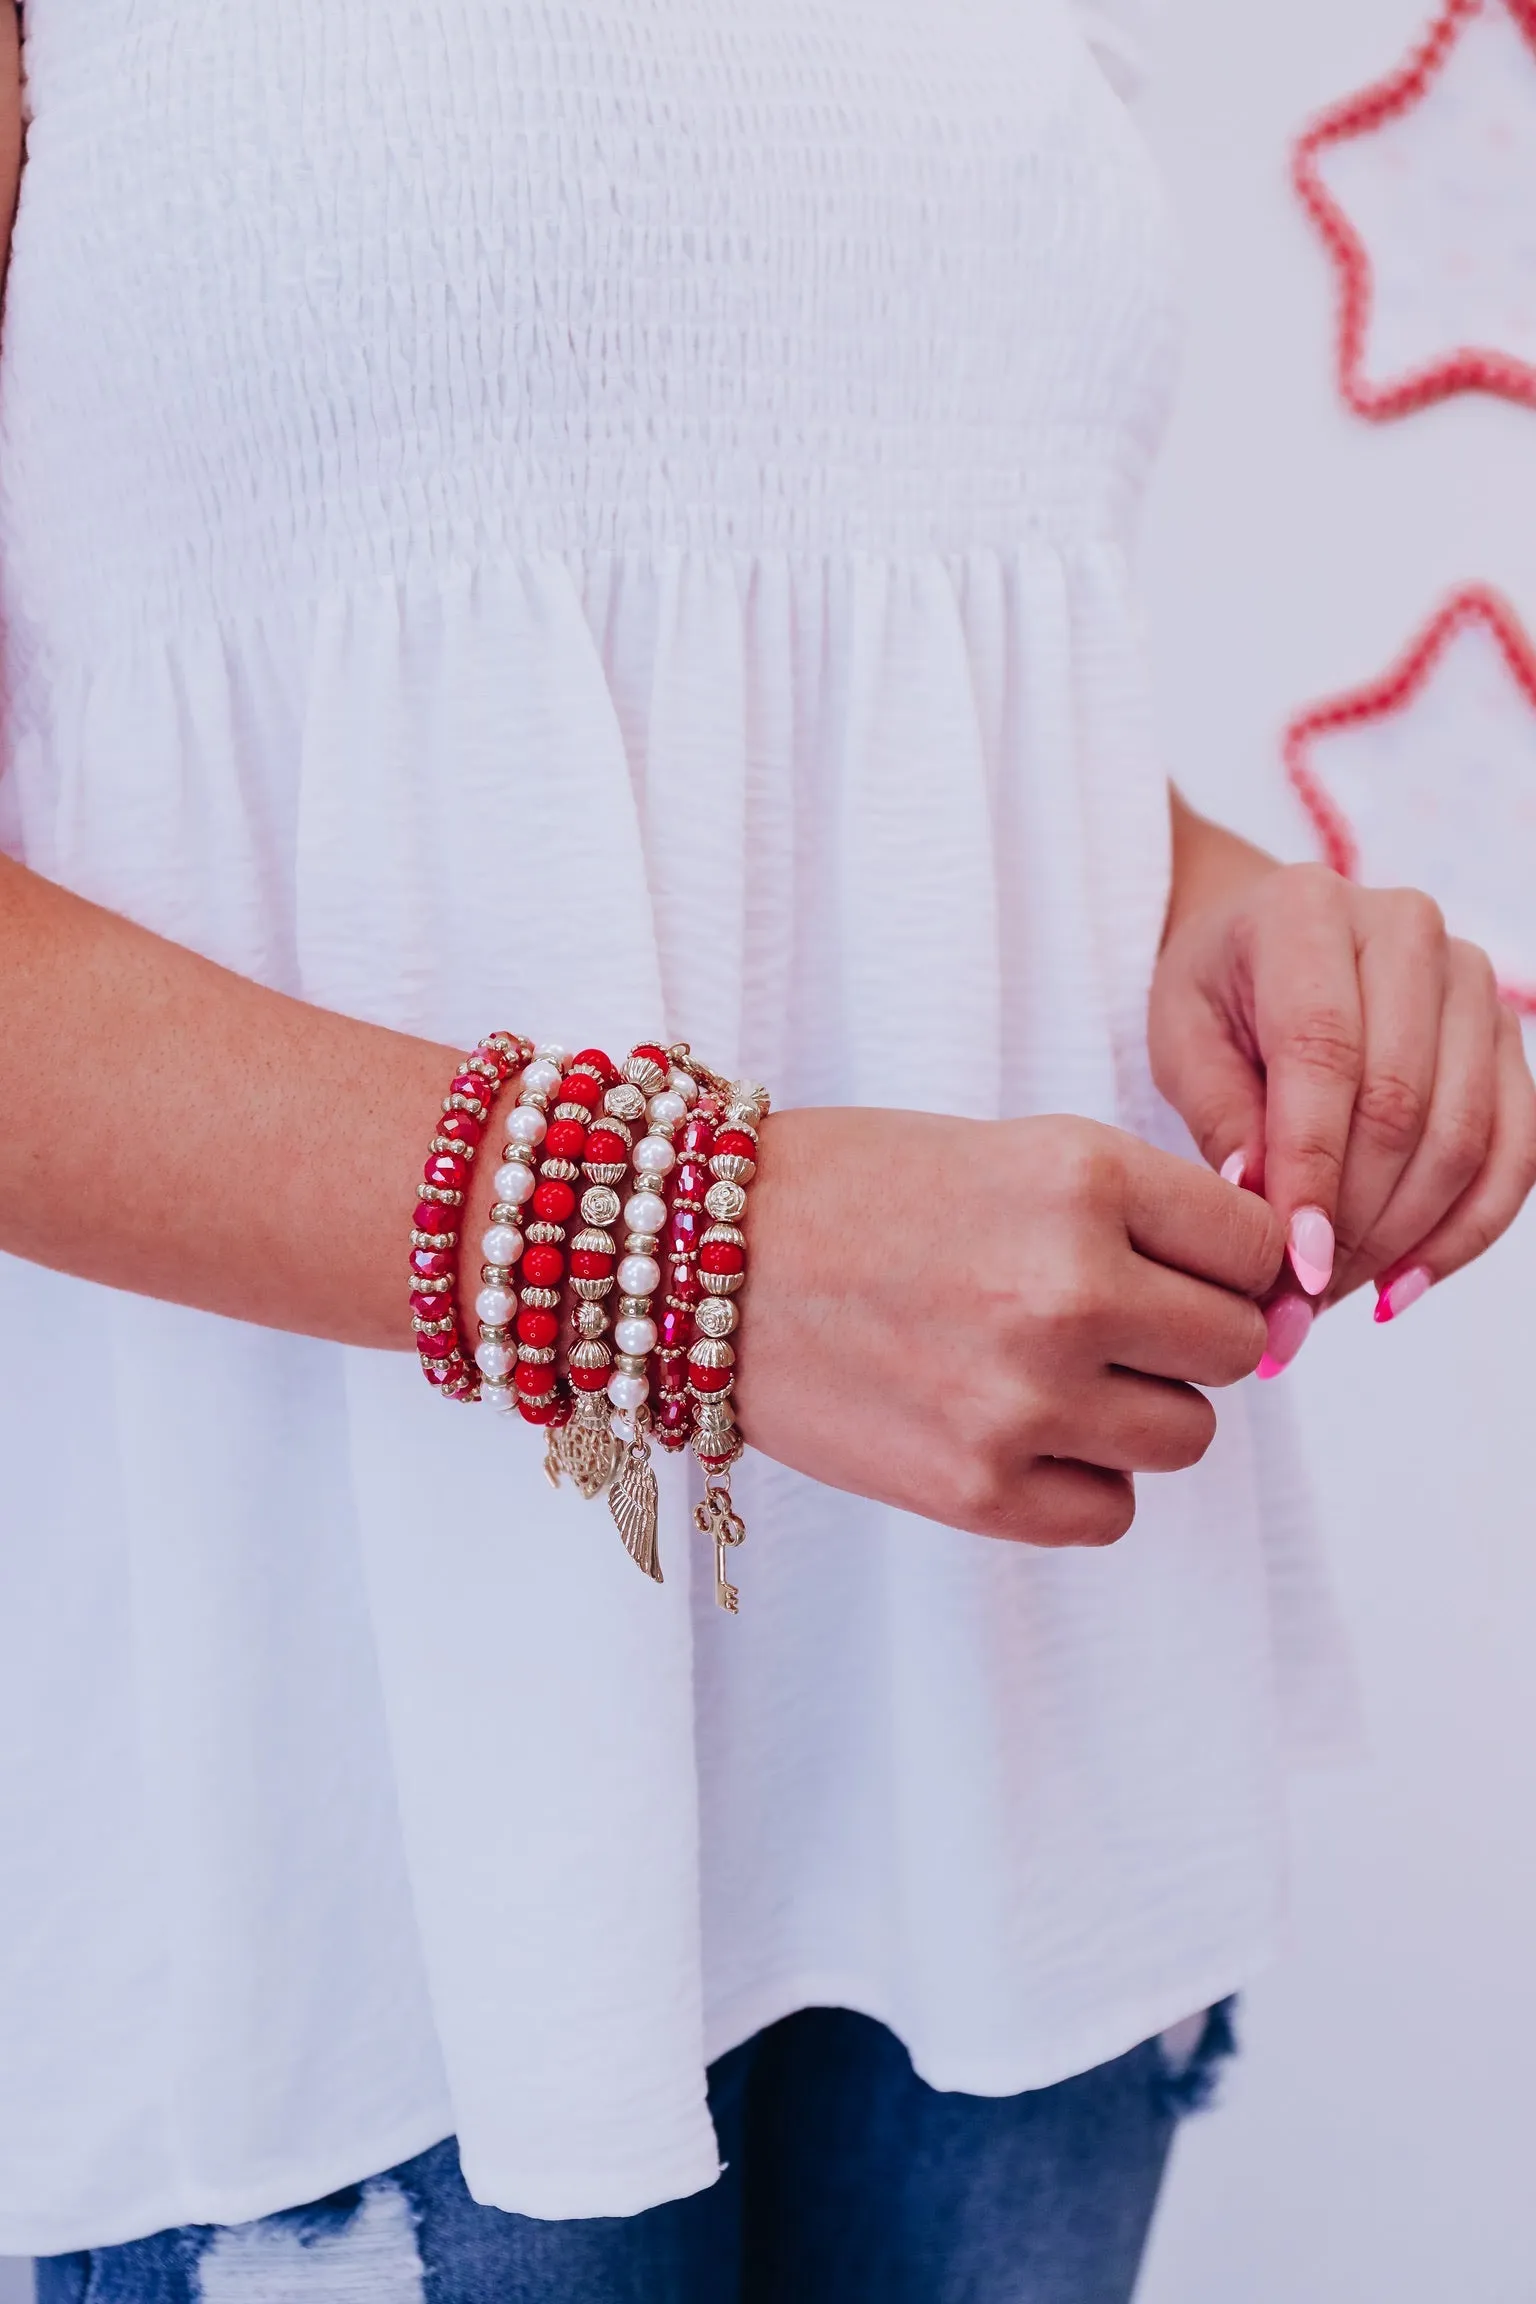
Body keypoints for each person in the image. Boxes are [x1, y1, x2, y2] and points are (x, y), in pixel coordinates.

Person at [1, 1, 1530, 2298]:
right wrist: (702, 1258)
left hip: (999, 1767)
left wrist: (1219, 915)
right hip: (380, 1853)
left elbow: (883, 651)